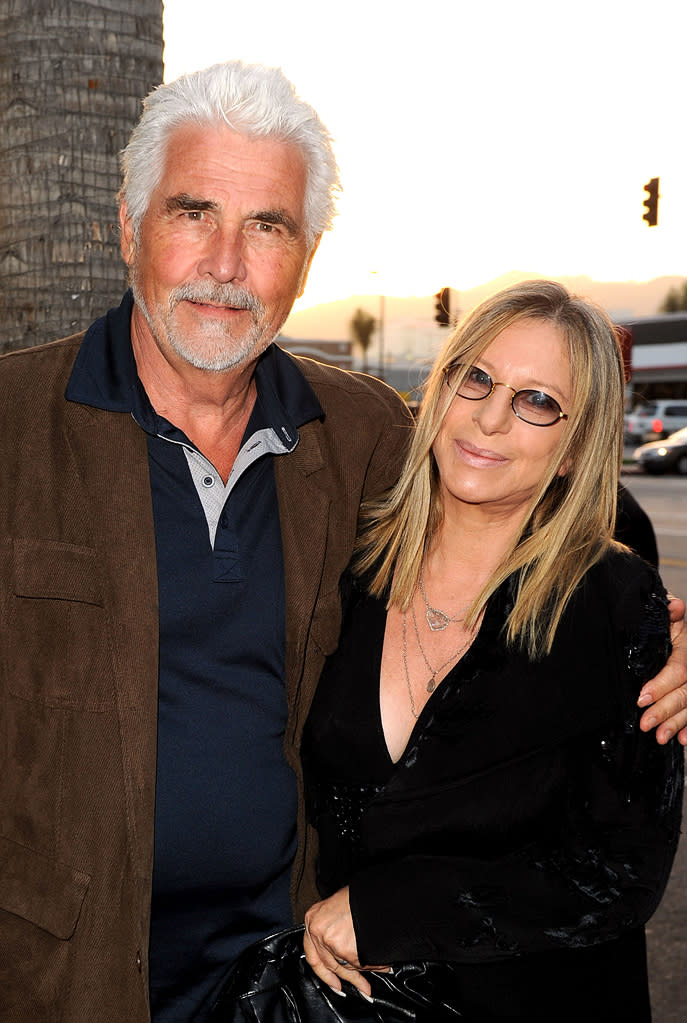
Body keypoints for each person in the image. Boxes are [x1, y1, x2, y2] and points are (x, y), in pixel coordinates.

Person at [0, 61, 684, 1023]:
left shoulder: (361, 433)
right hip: (62, 984)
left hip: (293, 983)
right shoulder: (12, 428)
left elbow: (538, 504)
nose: (226, 263)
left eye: (267, 226)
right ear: (127, 225)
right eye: (194, 211)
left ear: (306, 255)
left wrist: (660, 633)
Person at [301, 281, 684, 1021]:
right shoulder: (347, 565)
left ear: (575, 448)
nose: (488, 416)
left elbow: (622, 871)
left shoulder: (612, 604)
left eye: (536, 400)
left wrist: (399, 907)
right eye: (474, 377)